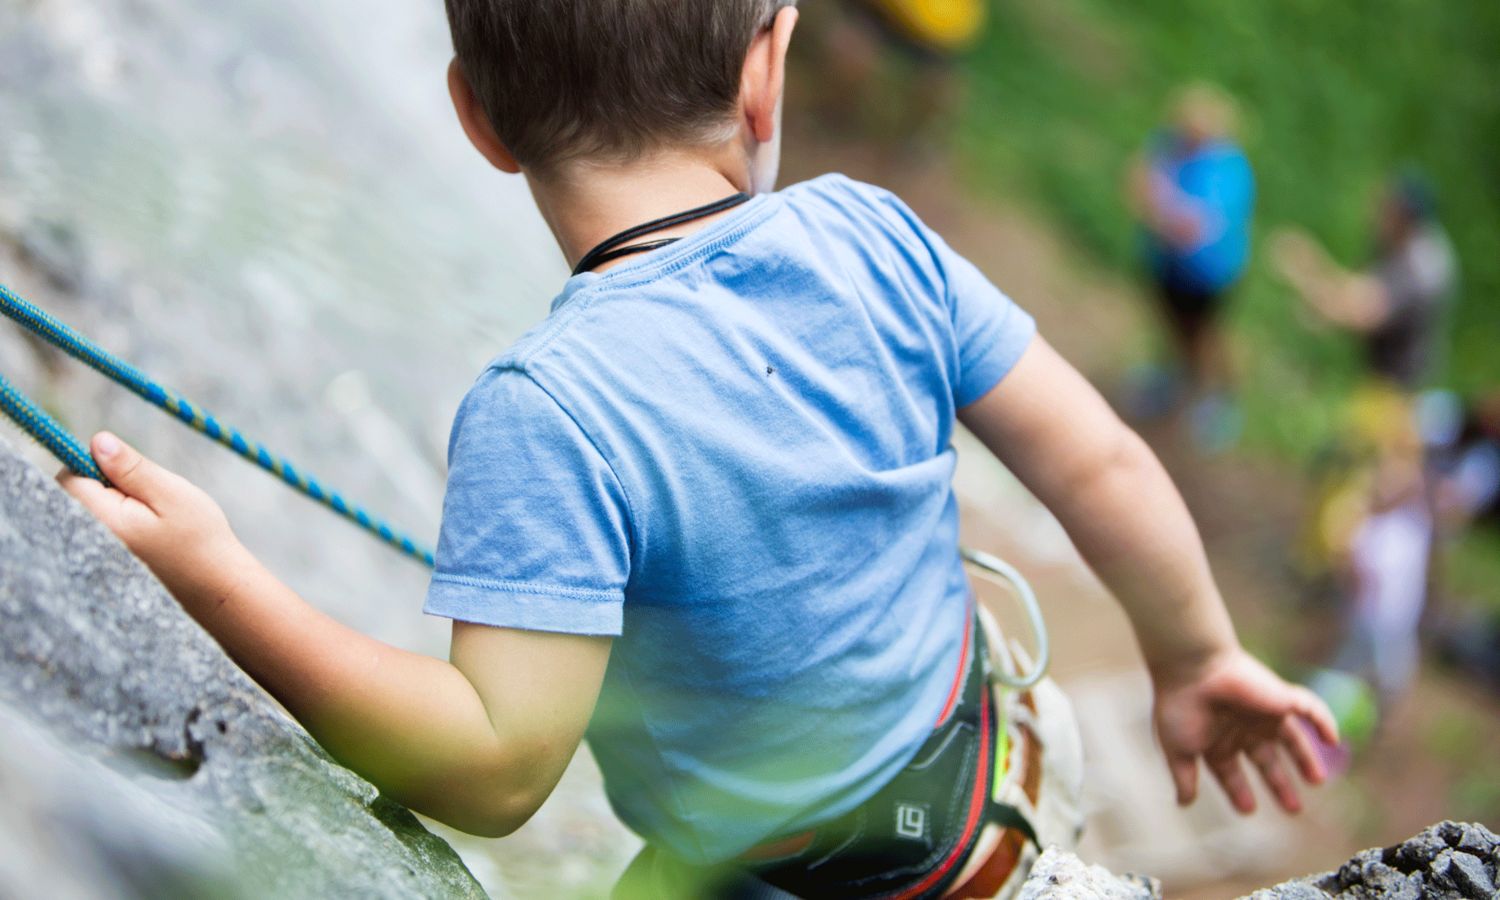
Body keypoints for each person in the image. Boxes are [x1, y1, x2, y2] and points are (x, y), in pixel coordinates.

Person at [61, 3, 1336, 897]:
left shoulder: (545, 410)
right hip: (995, 807)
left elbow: (498, 765)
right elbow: (1102, 466)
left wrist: (215, 575)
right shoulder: (874, 236)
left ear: (478, 117)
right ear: (764, 70)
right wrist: (1195, 656)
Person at [1126, 84, 1256, 451]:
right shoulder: (1170, 142)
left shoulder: (1229, 170)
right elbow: (1138, 178)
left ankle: (1220, 400)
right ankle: (1173, 382)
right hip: (1167, 266)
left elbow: (1193, 229)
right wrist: (1165, 210)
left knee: (1207, 338)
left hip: (1209, 276)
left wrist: (1158, 205)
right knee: (1172, 329)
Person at [1271, 171, 1457, 393]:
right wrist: (1315, 267)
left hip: (1398, 392)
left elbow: (1360, 313)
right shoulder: (1405, 240)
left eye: (1386, 207)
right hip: (1386, 378)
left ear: (1402, 216)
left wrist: (1304, 277)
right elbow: (1361, 289)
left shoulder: (1418, 270)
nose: (1376, 213)